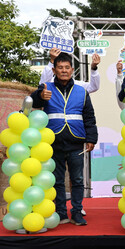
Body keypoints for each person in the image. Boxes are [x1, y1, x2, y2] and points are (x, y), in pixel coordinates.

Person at [31, 53, 98, 225]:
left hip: (76, 141)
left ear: (72, 70)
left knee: (77, 179)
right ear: (54, 70)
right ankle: (61, 212)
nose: (63, 70)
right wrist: (40, 96)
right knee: (57, 180)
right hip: (53, 142)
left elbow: (89, 117)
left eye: (67, 67)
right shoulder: (45, 88)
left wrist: (91, 138)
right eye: (60, 67)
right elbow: (31, 101)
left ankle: (76, 212)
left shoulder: (82, 91)